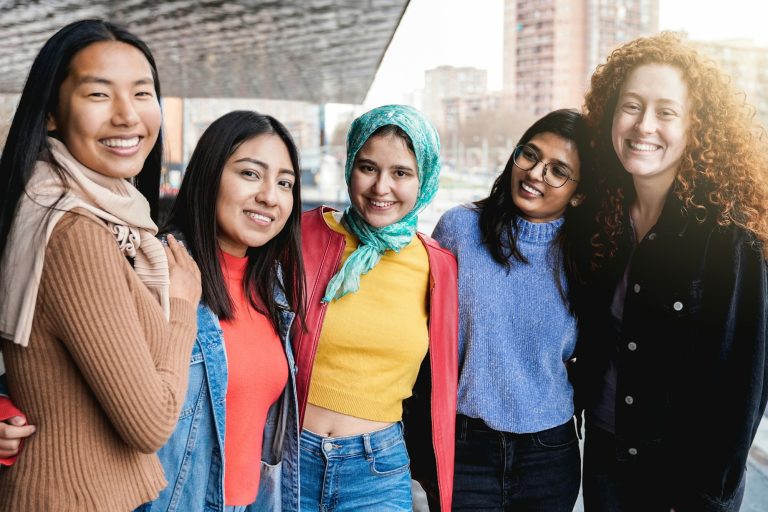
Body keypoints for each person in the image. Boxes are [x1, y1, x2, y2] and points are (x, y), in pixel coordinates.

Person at [0, 19, 201, 511]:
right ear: (51, 112)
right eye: (98, 94)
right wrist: (180, 308)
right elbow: (150, 423)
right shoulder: (75, 233)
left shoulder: (104, 217)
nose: (127, 116)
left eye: (141, 93)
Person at [573, 32, 768, 512]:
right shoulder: (602, 214)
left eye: (666, 112)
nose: (643, 126)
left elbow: (746, 384)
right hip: (605, 457)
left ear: (696, 128)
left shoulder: (729, 235)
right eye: (631, 106)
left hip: (682, 481)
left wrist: (705, 496)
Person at [137, 110, 305, 512]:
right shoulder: (157, 269)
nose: (269, 195)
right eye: (251, 174)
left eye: (285, 183)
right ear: (210, 174)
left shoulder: (273, 289)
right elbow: (68, 361)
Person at [292, 104, 458, 511]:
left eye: (401, 173)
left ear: (425, 179)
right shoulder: (302, 235)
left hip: (376, 471)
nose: (381, 187)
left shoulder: (438, 266)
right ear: (349, 166)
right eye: (368, 167)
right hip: (287, 457)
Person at [432, 108, 593, 511]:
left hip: (548, 452)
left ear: (579, 193)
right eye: (531, 155)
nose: (536, 173)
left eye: (558, 171)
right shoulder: (459, 229)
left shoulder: (586, 256)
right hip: (465, 445)